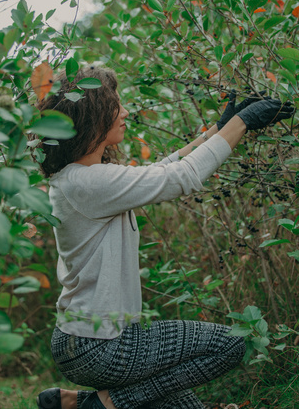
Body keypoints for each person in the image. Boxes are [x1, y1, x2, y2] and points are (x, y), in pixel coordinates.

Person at [36, 65, 294, 409]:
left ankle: (71, 403)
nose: (124, 111)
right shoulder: (86, 183)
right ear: (93, 117)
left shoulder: (81, 177)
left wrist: (218, 129)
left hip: (83, 341)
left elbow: (162, 171)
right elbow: (179, 178)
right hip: (102, 346)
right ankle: (96, 405)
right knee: (233, 342)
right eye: (116, 104)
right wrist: (243, 122)